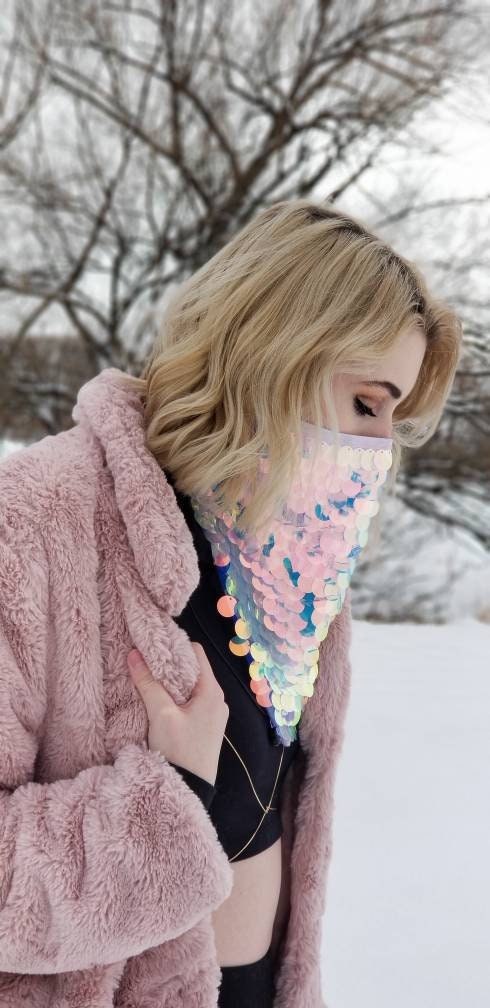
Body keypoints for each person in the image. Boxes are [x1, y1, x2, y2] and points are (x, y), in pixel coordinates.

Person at [0, 199, 462, 1008]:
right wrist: (166, 796)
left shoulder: (295, 578)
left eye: (395, 416)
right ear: (275, 354)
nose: (381, 448)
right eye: (366, 401)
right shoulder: (38, 522)